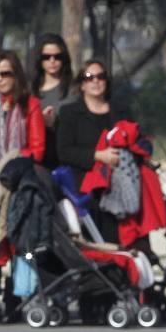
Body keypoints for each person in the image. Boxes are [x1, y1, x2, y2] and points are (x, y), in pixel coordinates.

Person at [53, 60, 131, 242]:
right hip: (85, 193)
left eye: (100, 77)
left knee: (121, 243)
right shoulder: (70, 112)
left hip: (119, 189)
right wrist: (98, 156)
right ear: (82, 84)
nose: (95, 81)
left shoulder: (121, 111)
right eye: (89, 77)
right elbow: (64, 152)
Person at [36, 35, 73, 167]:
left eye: (57, 56)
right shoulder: (31, 91)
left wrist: (54, 123)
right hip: (39, 159)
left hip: (66, 158)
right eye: (46, 57)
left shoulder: (73, 90)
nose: (52, 61)